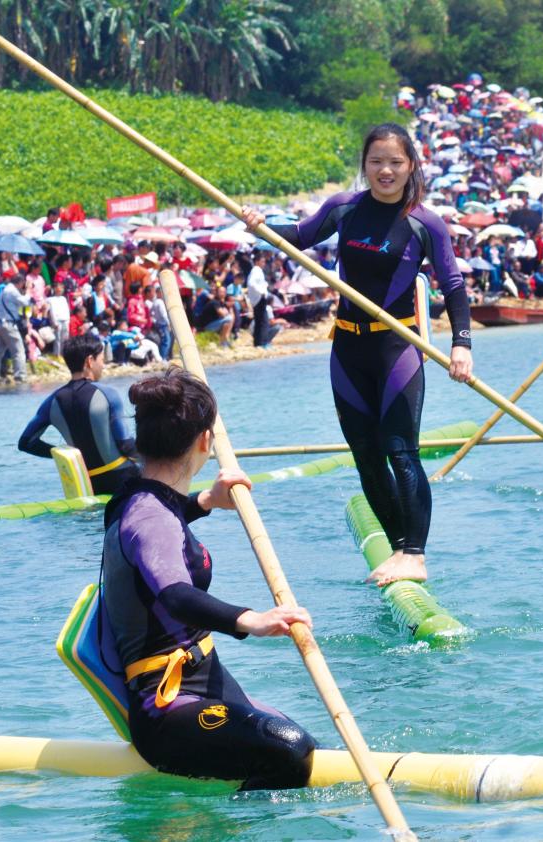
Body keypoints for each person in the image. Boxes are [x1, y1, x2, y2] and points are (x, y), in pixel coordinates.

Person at [242, 122, 473, 587]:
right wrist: (261, 227)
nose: (385, 170)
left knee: (401, 452)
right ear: (364, 165)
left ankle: (416, 554)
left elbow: (452, 285)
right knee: (366, 456)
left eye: (395, 162)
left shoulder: (424, 222)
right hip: (347, 347)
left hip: (397, 348)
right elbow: (301, 237)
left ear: (411, 166)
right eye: (376, 161)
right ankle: (395, 552)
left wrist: (462, 344)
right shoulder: (344, 208)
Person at [101, 368, 315, 787]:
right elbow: (176, 596)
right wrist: (250, 619)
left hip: (204, 674)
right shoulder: (148, 516)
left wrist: (206, 501)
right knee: (288, 748)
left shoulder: (132, 495)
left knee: (308, 747)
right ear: (205, 441)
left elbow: (159, 518)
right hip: (165, 702)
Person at [18, 334, 141, 493]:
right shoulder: (108, 394)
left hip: (86, 486)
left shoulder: (52, 402)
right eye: (101, 360)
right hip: (124, 480)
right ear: (90, 361)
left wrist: (66, 456)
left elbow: (26, 443)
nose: (103, 366)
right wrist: (159, 458)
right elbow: (126, 445)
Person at [0, 271, 30, 382]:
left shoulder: (4, 289)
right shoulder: (12, 291)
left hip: (0, 324)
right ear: (20, 282)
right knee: (18, 350)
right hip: (9, 324)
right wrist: (29, 291)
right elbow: (25, 302)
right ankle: (20, 375)